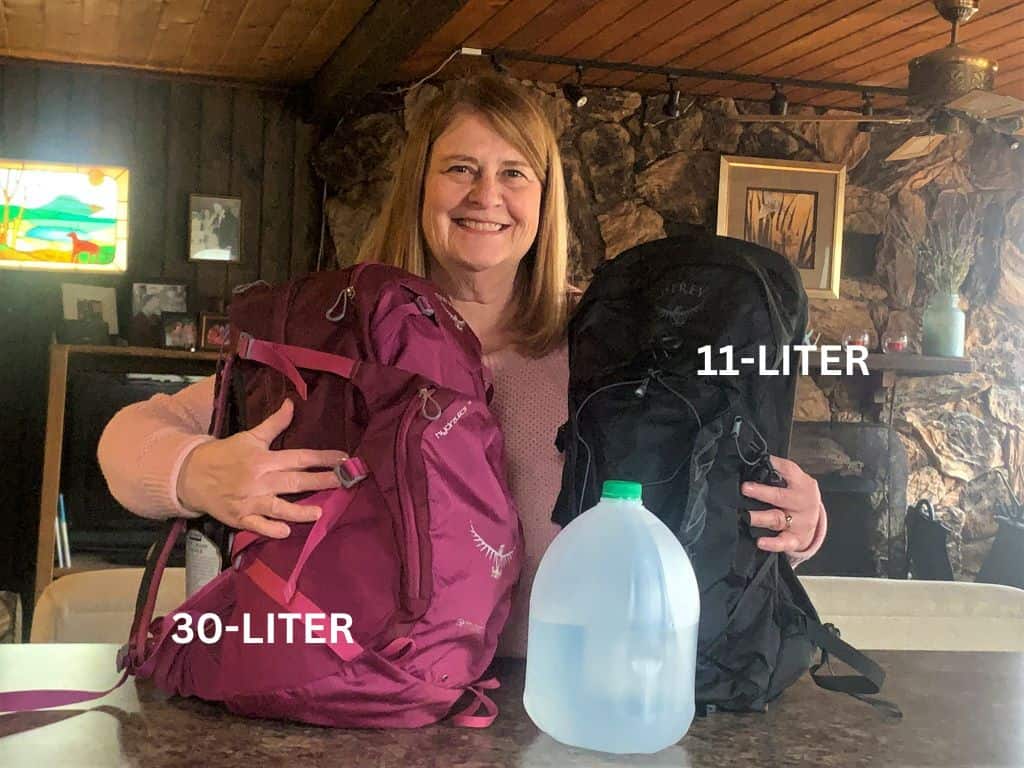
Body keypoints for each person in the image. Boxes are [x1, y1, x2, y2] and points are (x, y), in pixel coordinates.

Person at [98, 75, 826, 658]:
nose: (488, 196)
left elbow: (711, 494)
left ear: (545, 201)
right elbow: (132, 434)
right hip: (375, 699)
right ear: (420, 189)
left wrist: (803, 519)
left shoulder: (610, 345)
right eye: (460, 169)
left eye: (515, 172)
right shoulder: (343, 338)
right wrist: (196, 473)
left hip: (567, 702)